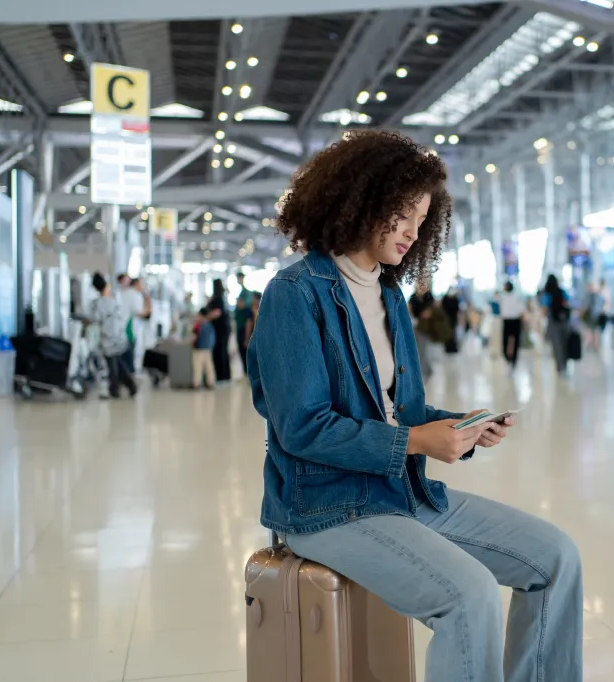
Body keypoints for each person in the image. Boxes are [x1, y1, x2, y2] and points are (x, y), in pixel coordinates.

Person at [248, 131, 582, 682]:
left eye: (422, 220)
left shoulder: (389, 295)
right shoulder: (296, 293)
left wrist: (456, 425)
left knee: (556, 558)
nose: (413, 231)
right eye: (402, 213)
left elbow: (399, 410)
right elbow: (302, 428)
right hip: (326, 508)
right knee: (469, 594)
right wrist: (416, 442)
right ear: (359, 198)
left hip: (404, 493)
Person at [87, 272, 137, 399]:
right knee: (117, 363)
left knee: (113, 364)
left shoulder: (98, 304)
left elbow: (95, 318)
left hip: (108, 337)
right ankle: (127, 386)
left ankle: (117, 389)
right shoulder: (113, 301)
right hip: (117, 336)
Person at [543, 274, 572, 375]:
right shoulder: (562, 291)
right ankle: (565, 364)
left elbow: (545, 309)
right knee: (564, 343)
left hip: (553, 321)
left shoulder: (547, 293)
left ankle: (559, 367)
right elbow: (568, 303)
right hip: (564, 320)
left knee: (556, 345)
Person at [204, 279, 232, 383]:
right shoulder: (221, 298)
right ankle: (225, 376)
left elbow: (217, 313)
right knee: (223, 351)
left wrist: (205, 318)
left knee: (220, 352)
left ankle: (221, 376)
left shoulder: (218, 299)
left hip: (220, 330)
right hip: (224, 328)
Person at [496, 281, 525, 371]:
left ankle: (513, 360)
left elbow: (521, 311)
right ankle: (508, 359)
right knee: (505, 341)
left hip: (515, 320)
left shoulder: (516, 297)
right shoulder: (502, 297)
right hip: (507, 320)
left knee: (515, 341)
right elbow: (496, 296)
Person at [191, 308, 216, 389]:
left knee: (198, 367)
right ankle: (210, 383)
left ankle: (197, 384)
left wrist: (190, 342)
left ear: (201, 315)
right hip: (208, 349)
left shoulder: (198, 325)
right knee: (209, 367)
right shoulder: (210, 325)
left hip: (199, 349)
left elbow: (194, 337)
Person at [234, 272, 253, 375]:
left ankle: (248, 371)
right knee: (240, 349)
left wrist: (238, 302)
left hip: (244, 325)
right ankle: (245, 371)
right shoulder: (241, 293)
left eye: (239, 278)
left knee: (245, 348)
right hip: (239, 325)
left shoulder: (246, 293)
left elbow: (242, 305)